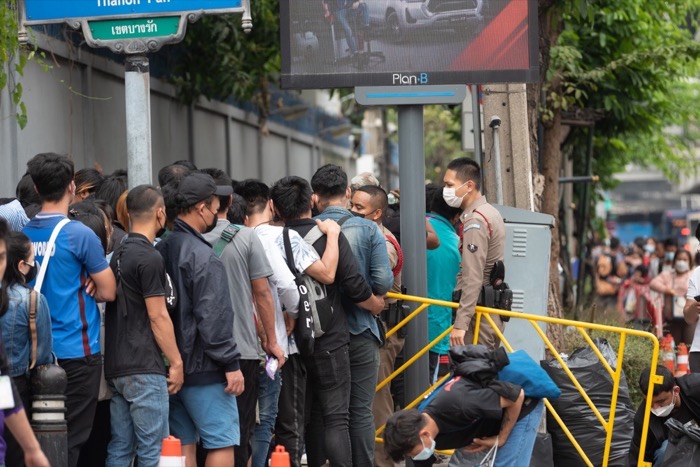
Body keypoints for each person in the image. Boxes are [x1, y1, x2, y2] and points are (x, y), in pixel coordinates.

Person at [272, 175, 383, 467]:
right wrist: (376, 305)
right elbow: (354, 285)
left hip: (291, 341)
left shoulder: (271, 238)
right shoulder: (326, 234)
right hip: (330, 337)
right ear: (310, 200)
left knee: (304, 417)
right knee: (336, 416)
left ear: (275, 207)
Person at [22, 153, 117, 467]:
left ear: (36, 187)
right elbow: (108, 290)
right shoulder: (80, 235)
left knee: (38, 438)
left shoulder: (22, 235)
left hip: (32, 353)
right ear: (72, 186)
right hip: (77, 353)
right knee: (71, 439)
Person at [156, 172, 244, 467]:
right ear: (201, 208)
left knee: (181, 446)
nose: (218, 212)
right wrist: (230, 363)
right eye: (216, 206)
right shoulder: (202, 255)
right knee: (221, 440)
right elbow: (213, 315)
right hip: (204, 366)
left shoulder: (161, 249)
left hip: (169, 367)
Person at [200, 169, 283, 467]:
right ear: (231, 200)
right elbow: (262, 294)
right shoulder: (246, 237)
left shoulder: (182, 239)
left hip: (197, 351)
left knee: (200, 433)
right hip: (242, 350)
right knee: (238, 429)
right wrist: (271, 340)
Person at [311, 164, 393, 467]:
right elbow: (383, 282)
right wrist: (372, 300)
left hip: (321, 334)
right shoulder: (368, 228)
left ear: (315, 195)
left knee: (325, 411)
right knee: (360, 410)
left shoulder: (307, 227)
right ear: (347, 192)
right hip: (361, 331)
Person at [103, 185, 184, 467]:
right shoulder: (150, 257)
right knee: (154, 451)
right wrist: (175, 362)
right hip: (144, 367)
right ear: (160, 213)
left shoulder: (117, 253)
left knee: (121, 448)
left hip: (116, 366)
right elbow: (158, 315)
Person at [234, 179, 301, 467]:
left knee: (239, 418)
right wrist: (292, 314)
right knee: (266, 417)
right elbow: (285, 285)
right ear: (271, 205)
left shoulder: (217, 239)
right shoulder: (259, 239)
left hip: (231, 345)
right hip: (268, 345)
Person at [382, 350, 543, 466]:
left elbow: (517, 396)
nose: (414, 456)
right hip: (485, 420)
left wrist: (501, 439)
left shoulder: (459, 403)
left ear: (424, 434)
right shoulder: (419, 426)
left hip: (521, 405)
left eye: (412, 453)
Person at [349, 185, 405, 467]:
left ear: (377, 213)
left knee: (377, 400)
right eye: (352, 205)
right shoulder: (364, 235)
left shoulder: (383, 243)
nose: (353, 212)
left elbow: (375, 286)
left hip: (382, 329)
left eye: (360, 208)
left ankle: (383, 462)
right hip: (371, 327)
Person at [0, 219, 51, 467]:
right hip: (18, 385)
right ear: (21, 265)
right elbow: (42, 354)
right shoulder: (32, 300)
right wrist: (32, 449)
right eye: (31, 260)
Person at [444, 158, 505, 350]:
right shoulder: (490, 212)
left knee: (473, 375)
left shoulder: (475, 222)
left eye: (449, 185)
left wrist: (461, 324)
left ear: (469, 185)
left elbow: (473, 276)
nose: (446, 190)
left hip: (478, 318)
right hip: (488, 312)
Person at [628, 365, 700, 466]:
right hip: (676, 457)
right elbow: (638, 457)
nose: (656, 407)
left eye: (661, 401)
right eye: (650, 403)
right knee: (665, 450)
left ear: (676, 390)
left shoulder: (695, 388)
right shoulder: (643, 419)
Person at [425, 189, 462, 382]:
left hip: (402, 324)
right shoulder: (457, 244)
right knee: (428, 388)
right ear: (456, 217)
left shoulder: (413, 228)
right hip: (437, 327)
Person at [650, 250, 693, 344]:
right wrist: (667, 290)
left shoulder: (694, 276)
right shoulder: (667, 275)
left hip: (690, 321)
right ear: (674, 261)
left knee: (691, 349)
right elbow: (653, 284)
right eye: (679, 259)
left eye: (685, 260)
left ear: (690, 262)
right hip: (671, 321)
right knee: (671, 350)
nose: (681, 262)